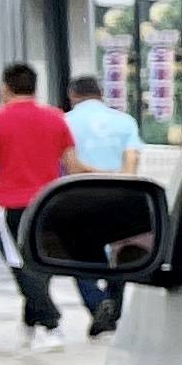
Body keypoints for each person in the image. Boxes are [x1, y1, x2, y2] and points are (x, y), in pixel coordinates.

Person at [0, 61, 78, 352]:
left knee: (19, 264)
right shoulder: (56, 118)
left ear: (5, 88)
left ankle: (50, 322)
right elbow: (70, 163)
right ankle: (30, 322)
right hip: (50, 202)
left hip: (13, 203)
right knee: (42, 262)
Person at [61, 74, 139, 335]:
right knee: (120, 257)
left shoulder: (64, 122)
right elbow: (132, 162)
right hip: (118, 197)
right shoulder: (125, 121)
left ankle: (97, 305)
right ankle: (112, 306)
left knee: (79, 259)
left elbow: (69, 164)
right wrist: (119, 182)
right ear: (101, 94)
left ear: (72, 95)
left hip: (78, 198)